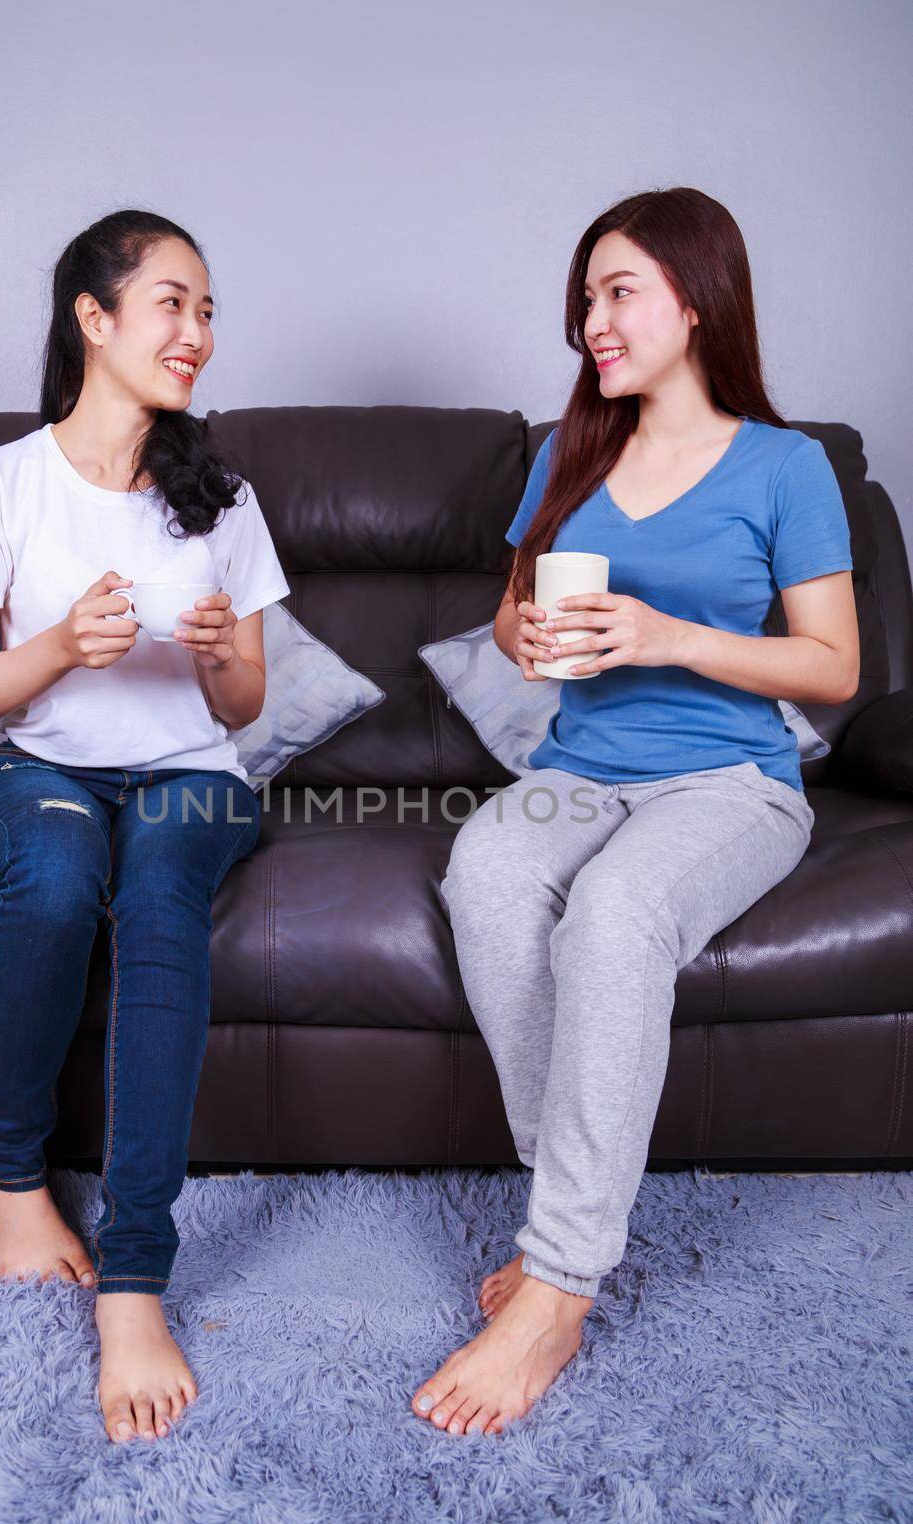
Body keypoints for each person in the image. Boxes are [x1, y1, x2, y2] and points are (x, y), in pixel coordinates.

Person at [411, 185, 859, 1438]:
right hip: (581, 765)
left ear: (699, 297)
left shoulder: (788, 464)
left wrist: (669, 634)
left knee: (612, 916)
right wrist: (534, 637)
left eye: (620, 294)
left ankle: (557, 1285)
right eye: (587, 300)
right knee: (489, 877)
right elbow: (510, 612)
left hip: (730, 784)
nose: (593, 324)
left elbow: (832, 667)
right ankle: (570, 1201)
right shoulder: (574, 452)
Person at [0, 210, 290, 1446]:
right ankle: (12, 1181)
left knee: (165, 882)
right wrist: (56, 649)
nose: (199, 333)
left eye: (208, 310)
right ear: (96, 318)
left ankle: (135, 1277)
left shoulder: (220, 496)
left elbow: (246, 703)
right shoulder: (0, 484)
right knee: (67, 862)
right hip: (40, 772)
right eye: (173, 304)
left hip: (191, 774)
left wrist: (215, 655)